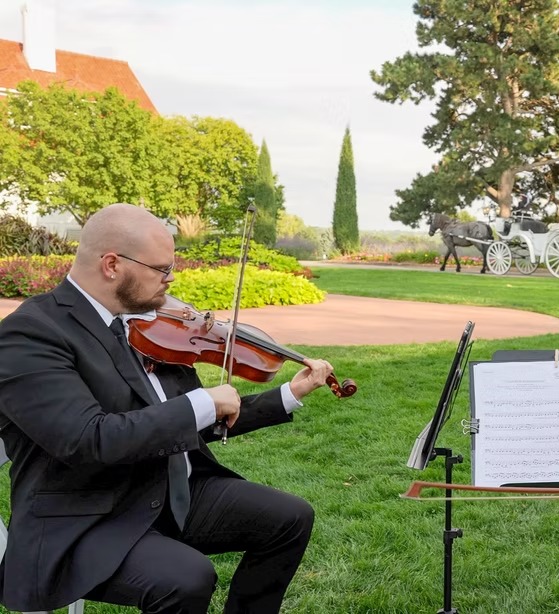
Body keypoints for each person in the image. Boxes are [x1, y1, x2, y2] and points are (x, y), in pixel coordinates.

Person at [0, 203, 336, 613]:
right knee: (188, 577)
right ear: (111, 265)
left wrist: (289, 394)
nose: (171, 280)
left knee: (289, 518)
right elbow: (87, 439)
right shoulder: (31, 333)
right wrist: (202, 402)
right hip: (86, 515)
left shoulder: (149, 325)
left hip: (165, 491)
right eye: (161, 269)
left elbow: (188, 422)